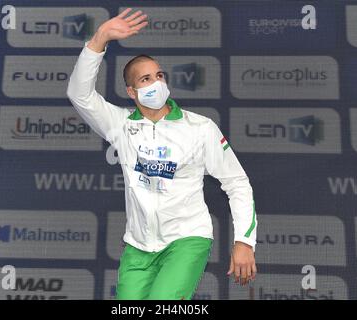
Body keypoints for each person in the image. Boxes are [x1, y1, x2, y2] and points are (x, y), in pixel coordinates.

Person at [66, 8, 257, 300]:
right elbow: (80, 95)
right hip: (138, 247)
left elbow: (237, 183)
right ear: (132, 92)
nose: (156, 83)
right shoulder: (120, 124)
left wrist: (244, 241)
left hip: (186, 239)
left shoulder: (199, 127)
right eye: (145, 80)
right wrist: (100, 38)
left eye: (159, 75)